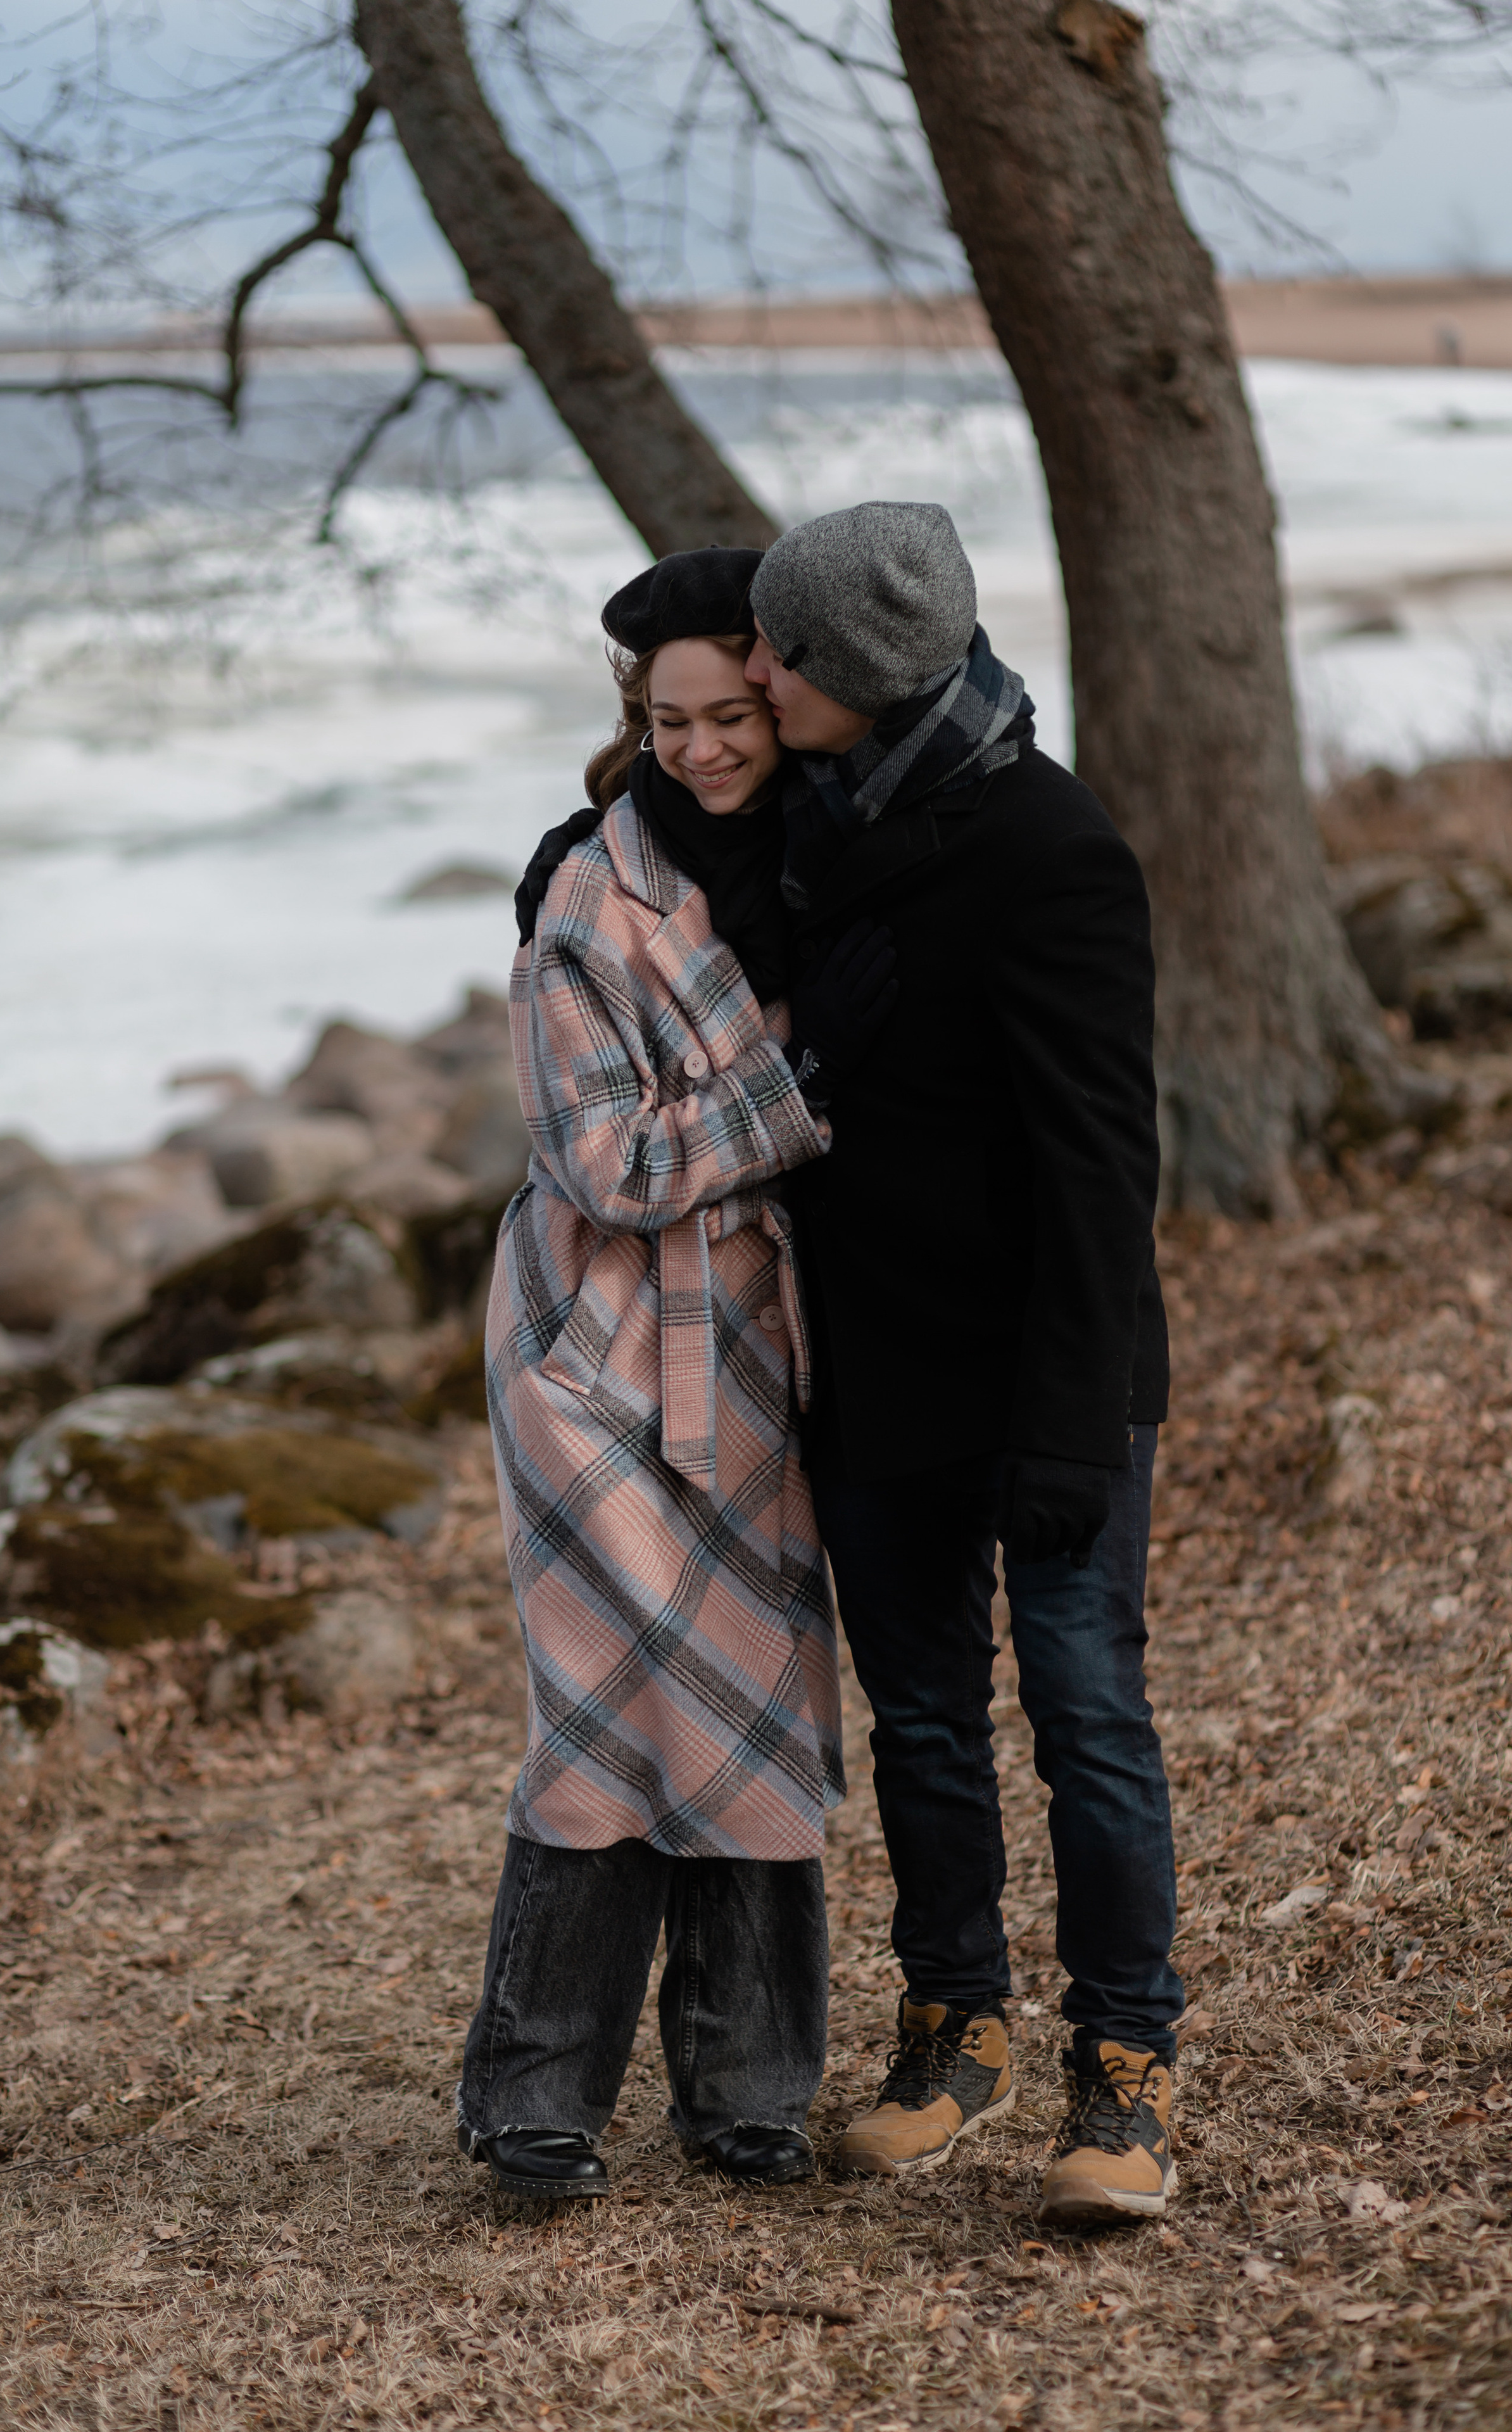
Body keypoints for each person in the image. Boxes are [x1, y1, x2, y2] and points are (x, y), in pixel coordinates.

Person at [743, 501, 1183, 2225]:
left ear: (857, 669)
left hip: (1045, 1370)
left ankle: (1125, 2071)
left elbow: (1103, 1166)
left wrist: (1074, 1428)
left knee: (1086, 1716)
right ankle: (953, 2031)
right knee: (922, 1720)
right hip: (882, 1364)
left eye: (781, 651)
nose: (755, 673)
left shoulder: (1050, 847)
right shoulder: (804, 814)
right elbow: (652, 777)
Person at [458, 547, 896, 2203]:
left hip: (769, 1352)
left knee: (755, 1708)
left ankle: (750, 2092)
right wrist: (797, 1082)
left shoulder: (847, 859)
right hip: (597, 1350)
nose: (702, 749)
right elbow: (606, 1161)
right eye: (669, 721)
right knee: (610, 1709)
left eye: (732, 716)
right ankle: (534, 2103)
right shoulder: (586, 894)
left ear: (783, 700)